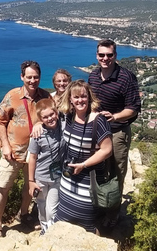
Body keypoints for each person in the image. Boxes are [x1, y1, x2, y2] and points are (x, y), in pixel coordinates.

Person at [0, 60, 51, 237]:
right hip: (13, 151)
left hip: (35, 153)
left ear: (40, 77)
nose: (33, 80)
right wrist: (5, 146)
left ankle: (24, 214)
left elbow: (51, 118)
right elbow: (0, 121)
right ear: (22, 77)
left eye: (36, 77)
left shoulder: (45, 97)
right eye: (29, 77)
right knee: (3, 186)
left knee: (29, 185)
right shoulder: (12, 96)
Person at [87, 39, 141, 230]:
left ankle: (113, 213)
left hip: (118, 132)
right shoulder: (93, 77)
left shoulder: (126, 78)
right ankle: (100, 205)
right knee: (100, 169)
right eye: (101, 55)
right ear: (97, 56)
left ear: (115, 56)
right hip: (97, 132)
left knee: (117, 171)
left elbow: (133, 108)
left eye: (109, 55)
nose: (105, 58)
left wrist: (115, 116)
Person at [54, 79, 113, 234]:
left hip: (89, 181)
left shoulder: (98, 121)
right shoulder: (68, 117)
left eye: (83, 96)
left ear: (89, 97)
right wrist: (39, 125)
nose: (80, 100)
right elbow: (46, 115)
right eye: (76, 97)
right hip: (68, 179)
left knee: (88, 223)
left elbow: (107, 150)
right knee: (62, 219)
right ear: (70, 100)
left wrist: (84, 164)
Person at [27, 98, 64, 235]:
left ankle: (51, 230)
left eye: (51, 114)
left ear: (56, 113)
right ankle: (44, 228)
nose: (50, 118)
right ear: (40, 119)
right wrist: (31, 181)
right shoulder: (38, 134)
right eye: (45, 117)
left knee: (52, 209)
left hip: (56, 177)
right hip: (40, 178)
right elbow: (32, 158)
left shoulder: (63, 126)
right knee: (41, 206)